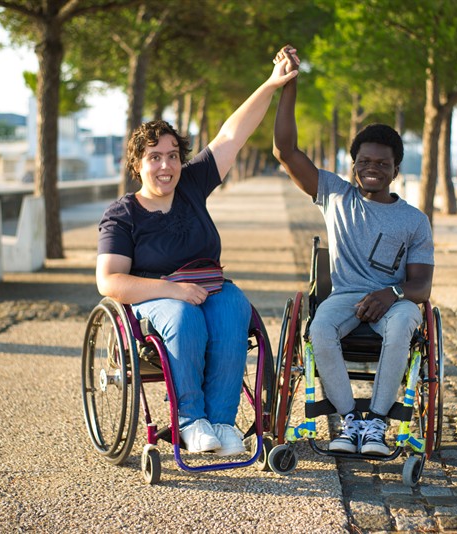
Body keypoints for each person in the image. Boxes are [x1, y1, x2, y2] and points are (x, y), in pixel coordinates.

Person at [96, 48, 299, 457]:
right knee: (185, 316)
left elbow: (231, 134)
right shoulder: (123, 214)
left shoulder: (190, 185)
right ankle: (189, 421)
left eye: (172, 155)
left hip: (208, 287)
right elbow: (110, 281)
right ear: (137, 164)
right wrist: (172, 291)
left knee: (233, 308)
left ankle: (221, 423)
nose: (166, 166)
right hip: (155, 300)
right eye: (155, 158)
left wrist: (273, 83)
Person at [272, 46, 434, 456]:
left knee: (402, 326)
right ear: (353, 164)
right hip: (343, 297)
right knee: (319, 330)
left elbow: (422, 284)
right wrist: (288, 84)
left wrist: (390, 294)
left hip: (395, 301)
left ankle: (377, 425)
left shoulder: (414, 220)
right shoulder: (336, 196)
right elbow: (285, 152)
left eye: (382, 163)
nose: (371, 168)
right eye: (364, 161)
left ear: (396, 169)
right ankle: (349, 423)